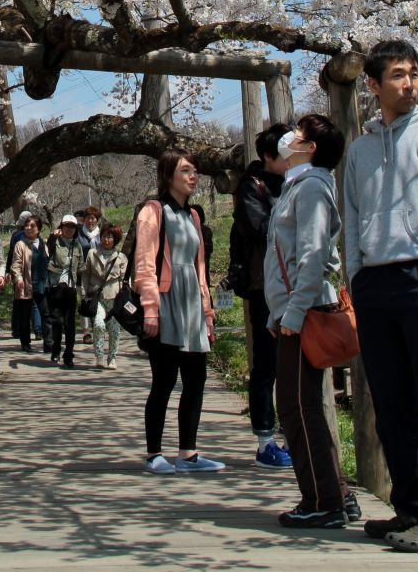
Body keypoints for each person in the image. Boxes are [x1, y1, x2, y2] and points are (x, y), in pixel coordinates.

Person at [344, 39, 418, 553]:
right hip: (375, 285)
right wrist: (357, 276)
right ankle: (411, 509)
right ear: (373, 85)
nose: (409, 83)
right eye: (398, 75)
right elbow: (354, 218)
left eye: (414, 74)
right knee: (392, 405)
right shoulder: (359, 149)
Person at [264, 113, 357, 529]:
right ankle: (339, 494)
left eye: (298, 135)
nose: (290, 138)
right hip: (294, 311)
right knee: (302, 406)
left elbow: (313, 256)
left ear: (311, 148)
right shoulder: (300, 186)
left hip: (304, 314)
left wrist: (294, 314)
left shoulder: (313, 188)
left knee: (297, 407)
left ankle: (324, 501)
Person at [135, 149, 224, 474]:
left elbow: (201, 270)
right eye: (186, 171)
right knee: (164, 381)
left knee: (196, 379)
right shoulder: (153, 212)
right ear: (168, 175)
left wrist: (208, 313)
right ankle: (154, 453)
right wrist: (150, 310)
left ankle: (188, 453)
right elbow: (144, 264)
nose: (193, 176)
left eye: (195, 171)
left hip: (192, 307)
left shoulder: (194, 216)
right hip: (165, 302)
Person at [229, 123, 292, 470]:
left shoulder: (294, 181)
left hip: (294, 285)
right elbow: (262, 230)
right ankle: (265, 441)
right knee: (266, 364)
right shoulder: (251, 188)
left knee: (295, 363)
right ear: (268, 157)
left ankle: (292, 436)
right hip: (265, 286)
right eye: (285, 153)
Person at [82, 221, 127, 369]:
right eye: (104, 236)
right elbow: (86, 275)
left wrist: (125, 297)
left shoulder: (121, 257)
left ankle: (112, 357)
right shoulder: (92, 253)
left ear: (115, 239)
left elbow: (125, 279)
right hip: (97, 296)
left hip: (115, 298)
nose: (107, 239)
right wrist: (84, 292)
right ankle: (99, 356)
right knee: (99, 325)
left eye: (110, 236)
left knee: (114, 329)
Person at [11, 215, 52, 353]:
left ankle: (48, 343)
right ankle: (25, 343)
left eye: (32, 226)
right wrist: (18, 279)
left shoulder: (43, 243)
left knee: (46, 314)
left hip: (42, 285)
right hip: (26, 284)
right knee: (25, 316)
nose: (28, 228)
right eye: (27, 225)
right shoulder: (20, 244)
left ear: (39, 229)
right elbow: (15, 265)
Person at [47, 214, 83, 367]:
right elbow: (48, 247)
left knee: (69, 324)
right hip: (55, 286)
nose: (69, 229)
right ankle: (56, 347)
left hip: (71, 287)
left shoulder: (77, 246)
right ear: (61, 227)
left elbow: (80, 267)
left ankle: (69, 354)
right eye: (66, 226)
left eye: (72, 227)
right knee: (57, 320)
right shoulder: (56, 242)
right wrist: (52, 237)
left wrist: (81, 287)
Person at [78, 206, 101, 344]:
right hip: (83, 272)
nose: (91, 221)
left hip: (98, 272)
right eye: (88, 218)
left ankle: (97, 328)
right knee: (84, 299)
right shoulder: (79, 233)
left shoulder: (101, 233)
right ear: (84, 219)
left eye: (93, 218)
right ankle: (86, 331)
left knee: (98, 301)